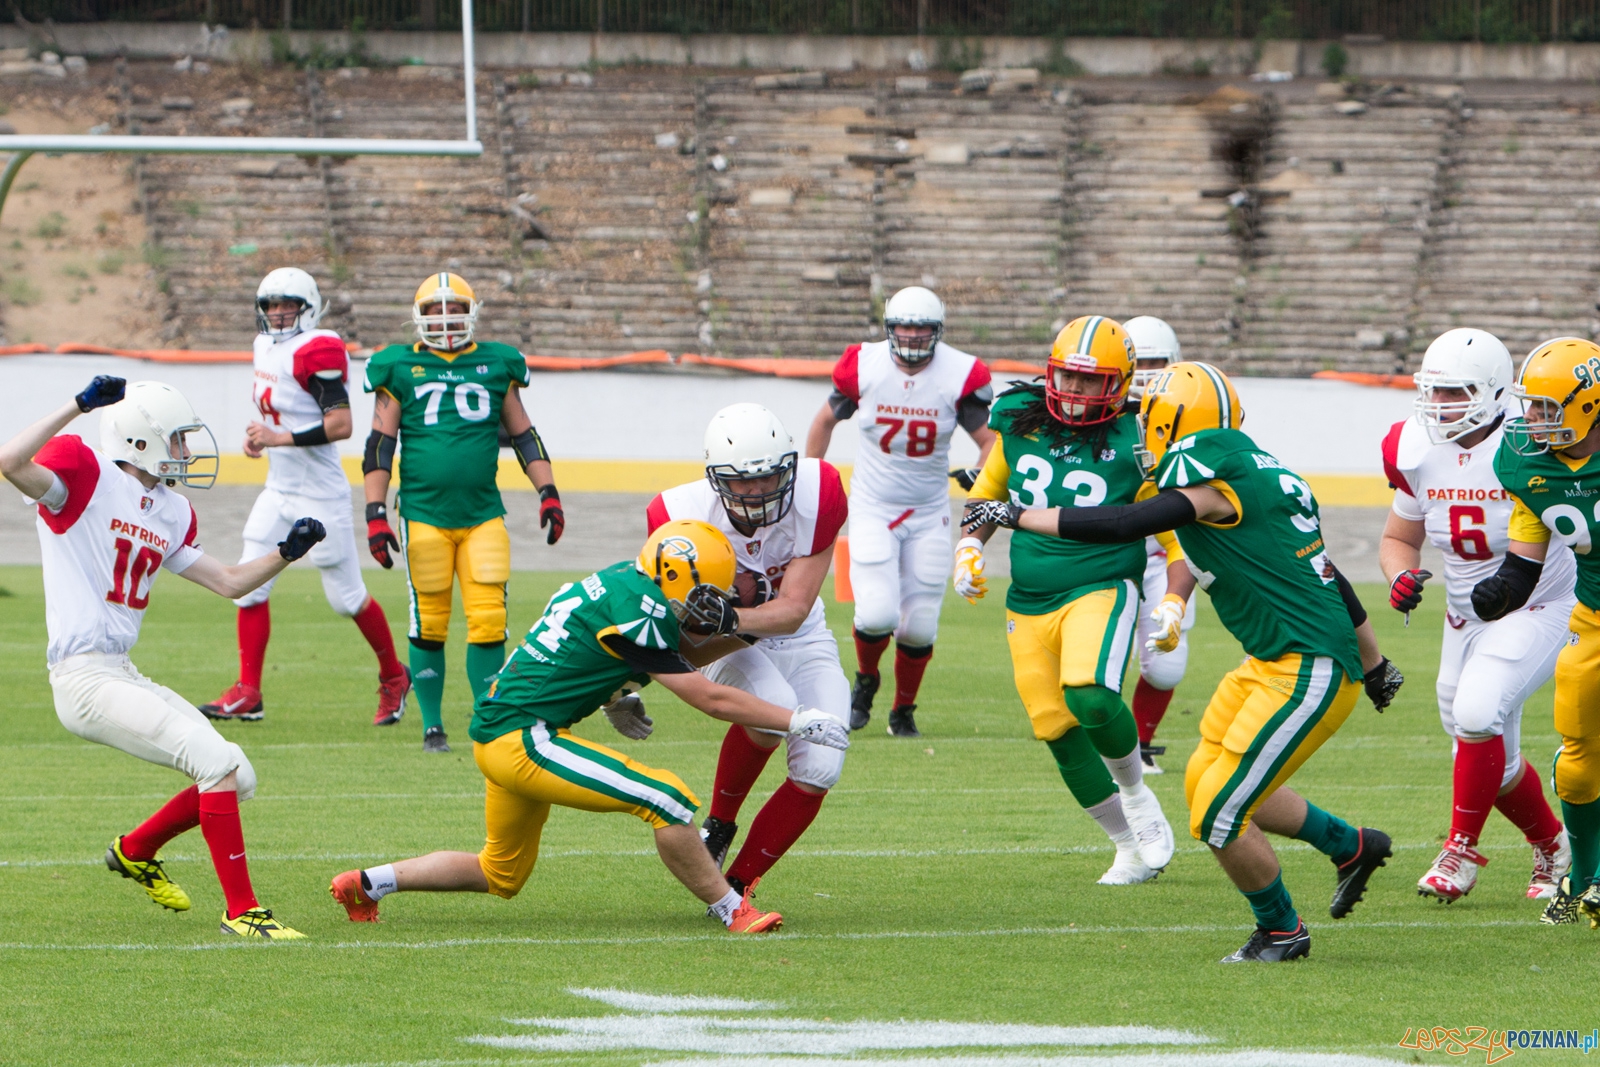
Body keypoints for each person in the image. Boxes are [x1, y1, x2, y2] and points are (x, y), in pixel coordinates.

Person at [965, 360, 1404, 962]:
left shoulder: (1210, 483)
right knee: (1206, 786)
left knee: (1220, 814)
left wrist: (1011, 514)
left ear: (1174, 422)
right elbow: (1326, 575)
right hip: (1270, 662)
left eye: (1150, 418)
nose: (1141, 428)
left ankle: (1281, 930)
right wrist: (1377, 661)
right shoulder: (1258, 470)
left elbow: (1123, 522)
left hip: (1309, 668)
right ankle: (1351, 846)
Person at [328, 519, 849, 931]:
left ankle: (367, 884)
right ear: (674, 577)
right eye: (706, 593)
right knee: (665, 798)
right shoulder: (643, 612)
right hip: (522, 737)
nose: (712, 605)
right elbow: (707, 695)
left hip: (502, 729)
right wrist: (797, 719)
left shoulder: (625, 582)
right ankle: (732, 909)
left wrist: (622, 691)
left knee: (500, 873)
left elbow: (609, 655)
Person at [0, 376, 326, 938]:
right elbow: (10, 460)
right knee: (216, 764)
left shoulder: (171, 509)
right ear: (141, 441)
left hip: (121, 670)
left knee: (237, 773)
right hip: (83, 676)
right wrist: (79, 405)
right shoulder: (87, 474)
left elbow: (228, 583)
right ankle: (243, 912)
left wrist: (286, 554)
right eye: (176, 440)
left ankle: (136, 849)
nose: (185, 451)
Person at [957, 315, 1175, 886]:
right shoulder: (1021, 421)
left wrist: (1175, 597)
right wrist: (969, 547)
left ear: (1121, 383)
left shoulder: (1141, 438)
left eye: (1091, 380)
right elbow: (988, 493)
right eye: (1068, 377)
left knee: (1090, 695)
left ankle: (1135, 793)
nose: (1075, 392)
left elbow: (1178, 529)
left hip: (1101, 585)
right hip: (1027, 597)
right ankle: (1127, 847)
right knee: (1052, 726)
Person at [1380, 328, 1574, 904]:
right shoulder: (1414, 448)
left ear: (1493, 393)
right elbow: (1398, 536)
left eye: (1455, 393)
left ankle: (1459, 850)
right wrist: (1399, 575)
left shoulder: (1531, 443)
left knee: (1477, 712)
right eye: (1433, 393)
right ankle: (1552, 845)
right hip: (1464, 616)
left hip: (1540, 603)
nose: (1439, 407)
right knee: (1487, 745)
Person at [646, 403, 850, 895]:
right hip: (726, 645)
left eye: (769, 477)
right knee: (770, 711)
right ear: (717, 479)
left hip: (798, 633)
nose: (758, 491)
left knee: (824, 760)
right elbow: (668, 622)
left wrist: (731, 613)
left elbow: (794, 609)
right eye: (743, 482)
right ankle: (720, 821)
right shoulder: (676, 515)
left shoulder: (819, 491)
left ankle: (738, 884)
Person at [362, 272, 565, 753]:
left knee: (489, 617)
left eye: (455, 309)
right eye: (436, 310)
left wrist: (549, 490)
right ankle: (433, 724)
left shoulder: (497, 363)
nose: (447, 318)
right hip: (423, 512)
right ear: (420, 317)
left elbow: (523, 434)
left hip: (482, 514)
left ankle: (487, 714)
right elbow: (379, 445)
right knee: (429, 619)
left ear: (472, 313)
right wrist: (374, 511)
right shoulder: (399, 366)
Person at [200, 268, 409, 726]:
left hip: (320, 493)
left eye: (286, 304)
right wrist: (261, 439)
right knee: (247, 586)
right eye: (271, 305)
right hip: (279, 488)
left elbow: (341, 426)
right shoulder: (264, 347)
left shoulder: (318, 348)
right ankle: (248, 691)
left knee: (346, 599)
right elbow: (279, 411)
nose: (277, 313)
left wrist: (278, 438)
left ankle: (394, 676)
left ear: (308, 306)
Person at [805, 286, 995, 737]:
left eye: (921, 328)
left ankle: (903, 710)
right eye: (904, 326)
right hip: (873, 504)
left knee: (919, 625)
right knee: (875, 615)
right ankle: (866, 679)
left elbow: (991, 441)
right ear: (889, 328)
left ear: (937, 331)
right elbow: (824, 421)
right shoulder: (864, 366)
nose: (911, 336)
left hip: (930, 510)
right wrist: (813, 479)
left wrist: (981, 480)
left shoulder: (959, 372)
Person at [1473, 336, 1600, 926]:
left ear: (1587, 406)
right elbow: (1525, 560)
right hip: (1593, 618)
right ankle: (1583, 877)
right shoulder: (1525, 463)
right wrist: (1501, 591)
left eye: (1545, 409)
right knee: (1578, 760)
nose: (1530, 421)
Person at [1121, 316, 1195, 774]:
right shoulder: (1101, 416)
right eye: (1139, 363)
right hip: (1107, 552)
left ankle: (1140, 743)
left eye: (1156, 363)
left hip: (1168, 555)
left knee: (1166, 666)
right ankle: (1107, 745)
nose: (1147, 375)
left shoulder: (1193, 415)